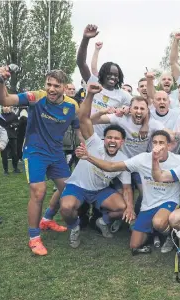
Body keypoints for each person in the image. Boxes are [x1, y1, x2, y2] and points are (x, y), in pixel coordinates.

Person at [0, 66, 81, 255]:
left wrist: (84, 147)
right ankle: (34, 238)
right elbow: (3, 99)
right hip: (35, 152)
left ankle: (47, 219)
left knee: (69, 191)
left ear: (65, 88)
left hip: (57, 153)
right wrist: (0, 81)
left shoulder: (72, 106)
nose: (51, 89)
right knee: (38, 192)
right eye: (49, 84)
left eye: (56, 85)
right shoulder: (36, 96)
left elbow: (78, 128)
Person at [75, 130, 180, 254]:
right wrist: (88, 157)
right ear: (151, 145)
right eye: (155, 142)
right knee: (134, 245)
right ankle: (155, 232)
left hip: (169, 201)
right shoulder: (142, 159)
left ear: (169, 145)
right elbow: (111, 166)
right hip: (148, 205)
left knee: (158, 222)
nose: (157, 146)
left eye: (161, 143)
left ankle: (171, 236)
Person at [60, 83, 134, 248]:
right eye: (109, 137)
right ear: (104, 138)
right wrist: (90, 95)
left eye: (116, 139)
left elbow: (127, 188)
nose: (112, 141)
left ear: (122, 142)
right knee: (66, 208)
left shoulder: (123, 160)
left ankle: (102, 221)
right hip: (78, 186)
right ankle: (75, 227)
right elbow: (83, 118)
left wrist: (130, 208)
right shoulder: (94, 142)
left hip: (100, 191)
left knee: (123, 208)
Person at [77, 24, 132, 139]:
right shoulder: (93, 82)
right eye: (109, 74)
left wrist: (127, 110)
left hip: (108, 140)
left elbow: (136, 108)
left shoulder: (123, 95)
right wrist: (85, 39)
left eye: (116, 75)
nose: (113, 77)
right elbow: (81, 63)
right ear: (102, 74)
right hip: (87, 136)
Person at [0, 106, 21, 175]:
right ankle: (5, 170)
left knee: (14, 153)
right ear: (2, 108)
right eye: (4, 106)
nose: (6, 108)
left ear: (10, 108)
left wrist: (13, 125)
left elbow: (18, 123)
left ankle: (15, 168)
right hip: (3, 138)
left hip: (12, 137)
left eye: (7, 106)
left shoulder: (14, 115)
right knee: (4, 154)